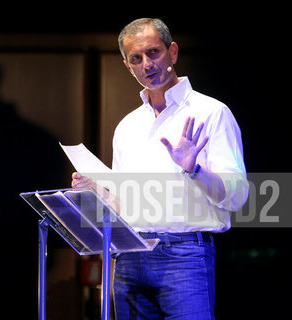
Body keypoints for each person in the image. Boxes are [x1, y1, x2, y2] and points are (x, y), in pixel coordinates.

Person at [72, 18, 249, 319]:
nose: (147, 64)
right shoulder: (127, 126)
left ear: (173, 52)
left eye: (153, 52)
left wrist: (194, 169)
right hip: (130, 258)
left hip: (184, 258)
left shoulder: (211, 112)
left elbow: (238, 196)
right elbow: (127, 206)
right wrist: (97, 191)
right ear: (128, 66)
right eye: (136, 58)